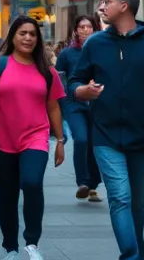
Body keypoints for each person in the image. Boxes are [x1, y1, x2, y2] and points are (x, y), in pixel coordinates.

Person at [71, 0, 144, 260]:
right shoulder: (95, 43)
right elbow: (75, 83)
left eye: (107, 1)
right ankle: (130, 256)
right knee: (119, 197)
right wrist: (84, 91)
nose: (101, 7)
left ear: (124, 6)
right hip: (105, 136)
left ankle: (136, 253)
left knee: (136, 202)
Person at [0, 16, 66, 260]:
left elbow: (54, 107)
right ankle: (10, 248)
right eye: (23, 33)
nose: (28, 38)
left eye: (32, 34)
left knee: (32, 183)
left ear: (38, 40)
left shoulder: (47, 71)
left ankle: (32, 242)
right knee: (7, 195)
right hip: (2, 140)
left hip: (35, 137)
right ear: (13, 37)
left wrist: (60, 140)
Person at [55, 14, 103, 201]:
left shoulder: (101, 50)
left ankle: (93, 186)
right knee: (81, 139)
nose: (85, 30)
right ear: (75, 30)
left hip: (97, 103)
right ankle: (83, 182)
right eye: (81, 27)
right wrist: (60, 103)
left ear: (95, 29)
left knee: (94, 143)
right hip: (73, 103)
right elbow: (59, 78)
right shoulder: (67, 53)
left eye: (89, 27)